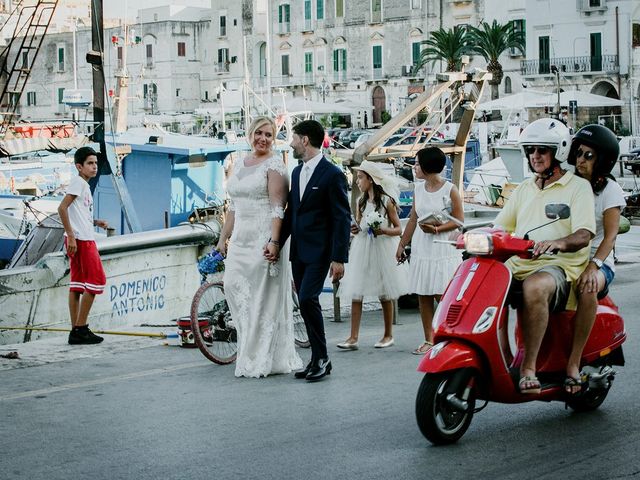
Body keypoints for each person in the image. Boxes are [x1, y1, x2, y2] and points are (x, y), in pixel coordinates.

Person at [493, 118, 596, 394]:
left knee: (535, 286)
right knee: (485, 282)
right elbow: (501, 226)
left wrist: (557, 243)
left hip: (559, 267)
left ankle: (528, 367)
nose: (535, 156)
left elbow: (584, 234)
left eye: (542, 149)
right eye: (531, 150)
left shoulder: (578, 188)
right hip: (520, 262)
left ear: (559, 152)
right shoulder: (525, 188)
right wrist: (469, 237)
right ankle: (500, 356)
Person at [216, 116, 302, 378]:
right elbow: (233, 206)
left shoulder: (275, 165)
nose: (263, 139)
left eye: (268, 135)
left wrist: (274, 241)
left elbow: (279, 208)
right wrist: (223, 238)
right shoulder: (240, 162)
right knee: (233, 287)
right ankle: (248, 349)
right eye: (259, 133)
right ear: (250, 134)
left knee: (262, 298)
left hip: (264, 237)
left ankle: (262, 356)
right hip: (240, 239)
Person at [277, 120, 351, 382]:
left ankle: (322, 357)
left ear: (305, 140)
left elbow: (342, 218)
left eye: (294, 138)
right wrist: (277, 242)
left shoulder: (332, 175)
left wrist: (339, 258)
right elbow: (291, 213)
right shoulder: (296, 173)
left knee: (308, 298)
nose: (291, 143)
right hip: (298, 251)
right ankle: (317, 358)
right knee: (306, 304)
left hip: (321, 252)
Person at [564, 124, 626, 394]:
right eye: (578, 153)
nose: (580, 160)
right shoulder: (570, 183)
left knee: (587, 287)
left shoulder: (609, 190)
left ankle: (574, 363)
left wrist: (593, 266)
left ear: (602, 160)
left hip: (598, 261)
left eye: (588, 156)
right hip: (567, 256)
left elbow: (610, 237)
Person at [396, 147, 464, 355]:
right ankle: (429, 338)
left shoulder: (449, 189)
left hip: (443, 246)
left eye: (417, 164)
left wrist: (437, 228)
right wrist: (402, 244)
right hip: (422, 245)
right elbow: (414, 219)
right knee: (423, 294)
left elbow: (459, 220)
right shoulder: (418, 189)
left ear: (427, 166)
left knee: (442, 294)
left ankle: (452, 335)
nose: (414, 167)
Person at [336, 161, 408, 350]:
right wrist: (355, 229)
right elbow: (361, 227)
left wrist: (383, 230)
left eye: (360, 177)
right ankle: (353, 337)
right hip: (363, 247)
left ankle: (388, 335)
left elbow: (399, 228)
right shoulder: (360, 201)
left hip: (382, 248)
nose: (357, 181)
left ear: (370, 179)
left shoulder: (386, 201)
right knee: (356, 291)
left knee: (384, 291)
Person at [57, 146, 108, 345]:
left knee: (77, 284)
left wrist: (96, 222)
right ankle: (80, 328)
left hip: (79, 237)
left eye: (95, 163)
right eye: (90, 163)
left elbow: (78, 212)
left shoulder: (82, 184)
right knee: (96, 281)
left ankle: (75, 329)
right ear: (79, 166)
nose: (94, 167)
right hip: (81, 240)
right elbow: (62, 208)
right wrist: (71, 235)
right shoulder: (79, 183)